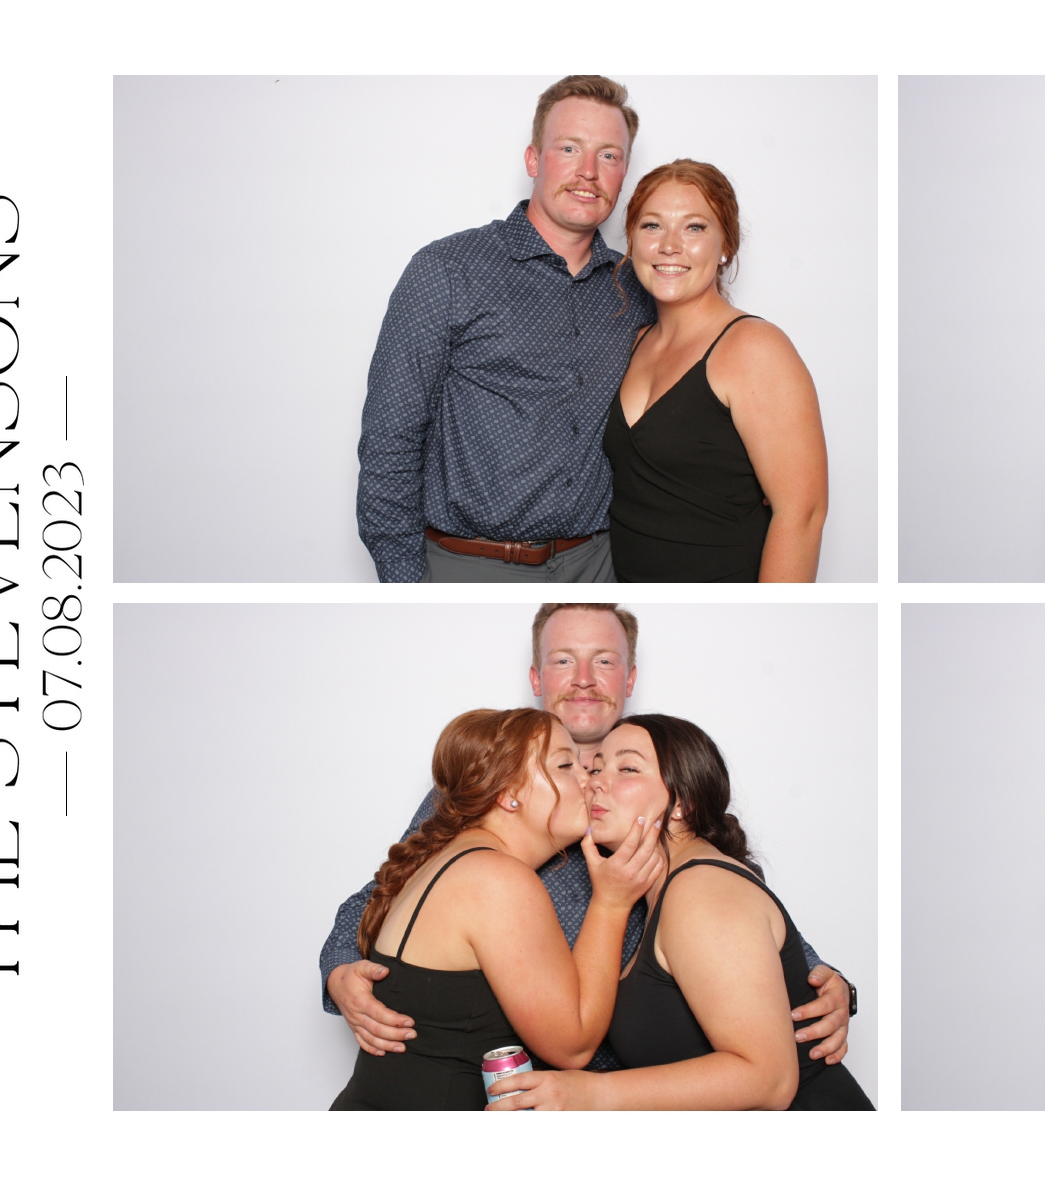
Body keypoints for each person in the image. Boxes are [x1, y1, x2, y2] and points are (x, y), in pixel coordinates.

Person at [319, 603, 856, 1074]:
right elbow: (389, 889)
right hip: (519, 1077)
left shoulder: (664, 777)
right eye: (563, 661)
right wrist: (341, 972)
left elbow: (732, 901)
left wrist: (822, 979)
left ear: (630, 678)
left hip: (649, 1076)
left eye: (603, 661)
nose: (583, 679)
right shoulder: (485, 780)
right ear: (536, 678)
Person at [487, 714, 871, 1109]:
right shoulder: (664, 890)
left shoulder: (700, 889)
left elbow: (770, 1081)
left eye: (628, 768)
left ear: (683, 803)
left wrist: (587, 1093)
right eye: (597, 768)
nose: (595, 782)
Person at [356, 76, 652, 583]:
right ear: (533, 160)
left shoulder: (636, 288)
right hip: (467, 566)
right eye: (569, 148)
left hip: (600, 566)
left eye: (609, 155)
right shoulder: (448, 269)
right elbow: (390, 441)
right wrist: (407, 590)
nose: (588, 171)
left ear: (624, 172)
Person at [331, 708, 665, 1108]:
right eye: (565, 765)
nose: (587, 779)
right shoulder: (496, 879)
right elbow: (573, 1046)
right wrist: (611, 903)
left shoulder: (456, 858)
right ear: (508, 794)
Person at [604, 160, 827, 581]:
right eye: (652, 226)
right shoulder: (633, 342)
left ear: (726, 246)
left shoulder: (754, 348)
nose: (670, 245)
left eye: (694, 227)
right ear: (631, 242)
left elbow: (802, 515)